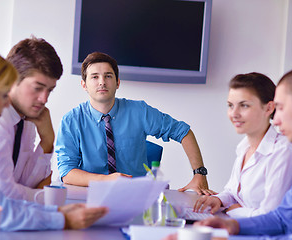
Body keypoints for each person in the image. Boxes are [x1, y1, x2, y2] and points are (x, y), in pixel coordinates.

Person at [0, 46, 107, 234]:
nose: (6, 104)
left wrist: (56, 212)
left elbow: (18, 191)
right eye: (4, 95)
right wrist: (62, 218)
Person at [55, 51, 215, 195]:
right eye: (95, 77)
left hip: (135, 196)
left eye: (108, 76)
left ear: (118, 83)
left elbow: (183, 132)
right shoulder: (71, 121)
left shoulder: (139, 111)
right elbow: (67, 173)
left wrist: (199, 174)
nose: (102, 82)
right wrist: (106, 180)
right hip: (88, 195)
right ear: (84, 85)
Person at [192, 66, 292, 237]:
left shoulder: (286, 150)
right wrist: (226, 212)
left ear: (268, 108)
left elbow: (278, 220)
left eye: (244, 105)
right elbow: (282, 219)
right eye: (230, 105)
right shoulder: (243, 147)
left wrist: (232, 213)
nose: (277, 121)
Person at [0, 37, 61, 201]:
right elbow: (3, 195)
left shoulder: (26, 119)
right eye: (37, 88)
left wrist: (47, 140)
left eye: (50, 90)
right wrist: (41, 196)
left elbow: (25, 183)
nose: (44, 99)